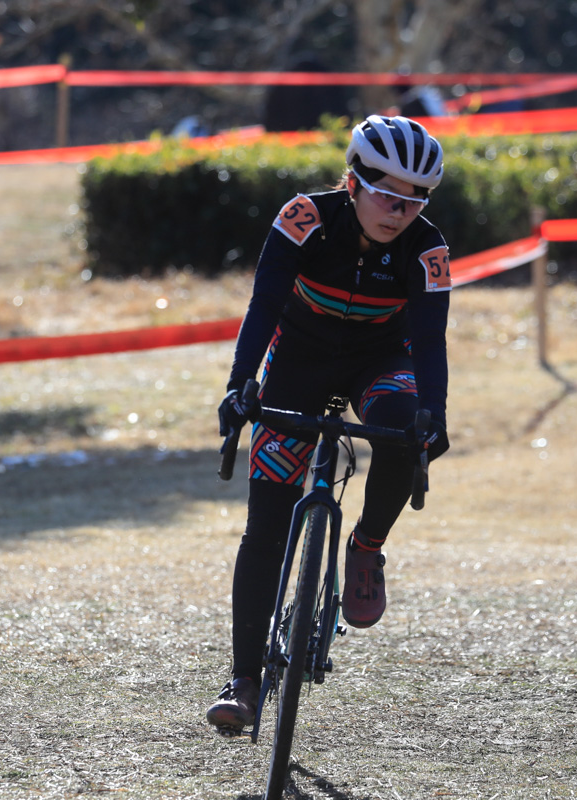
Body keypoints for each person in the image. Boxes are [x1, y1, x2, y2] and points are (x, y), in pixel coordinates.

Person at [206, 115, 453, 732]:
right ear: (353, 181)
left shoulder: (428, 251)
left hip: (380, 361)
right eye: (388, 195)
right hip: (300, 359)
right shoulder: (303, 220)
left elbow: (429, 341)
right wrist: (241, 386)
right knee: (266, 524)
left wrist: (435, 414)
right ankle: (244, 681)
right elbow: (263, 304)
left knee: (401, 426)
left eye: (415, 199)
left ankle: (367, 546)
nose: (400, 210)